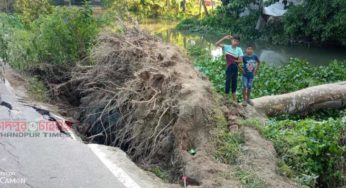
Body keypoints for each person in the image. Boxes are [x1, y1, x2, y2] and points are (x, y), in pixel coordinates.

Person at [215, 35, 243, 102]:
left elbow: (241, 60)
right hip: (229, 67)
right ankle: (226, 97)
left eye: (237, 41)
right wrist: (224, 38)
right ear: (231, 41)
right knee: (228, 81)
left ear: (238, 42)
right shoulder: (226, 47)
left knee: (234, 82)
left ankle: (234, 98)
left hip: (235, 68)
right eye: (234, 41)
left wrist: (234, 60)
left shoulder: (239, 49)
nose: (235, 42)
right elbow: (216, 44)